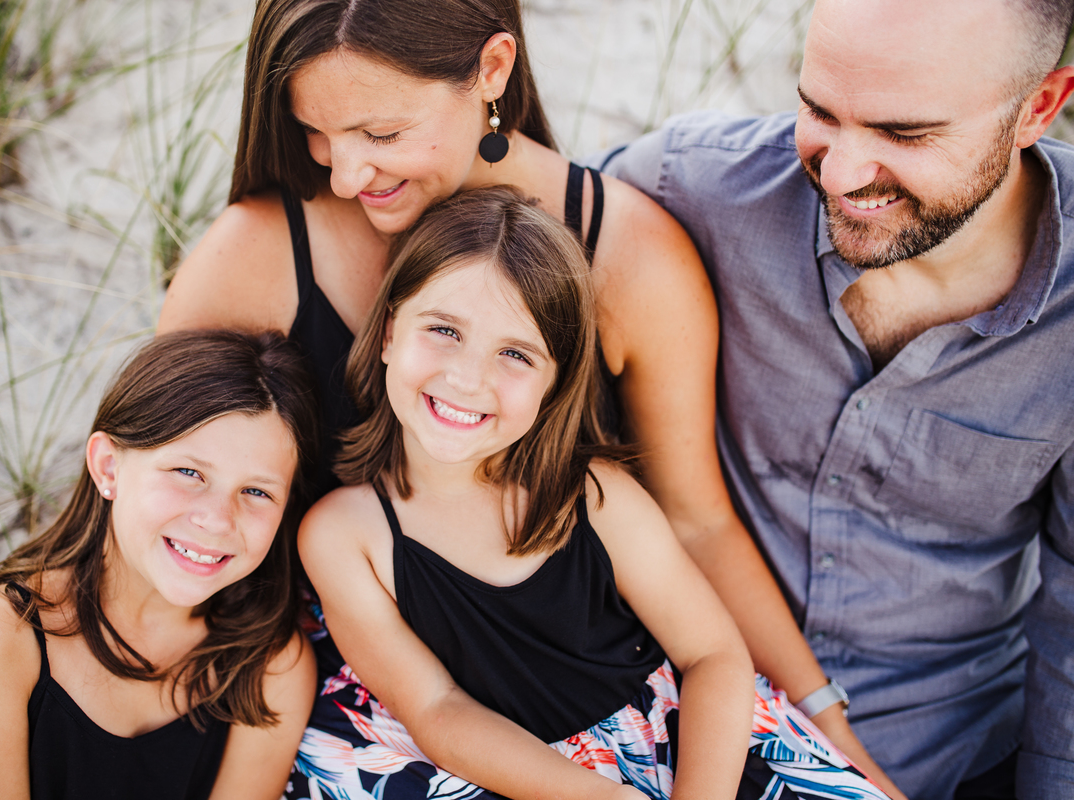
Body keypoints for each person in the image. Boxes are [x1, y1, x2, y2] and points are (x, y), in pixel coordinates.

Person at [158, 1, 901, 791]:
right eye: (315, 130)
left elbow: (698, 527)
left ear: (492, 70)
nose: (344, 176)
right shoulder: (256, 253)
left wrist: (830, 728)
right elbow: (149, 493)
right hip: (385, 717)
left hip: (624, 697)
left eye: (381, 134)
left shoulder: (630, 261)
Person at [593, 0, 1074, 797]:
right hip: (692, 734)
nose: (843, 175)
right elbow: (509, 213)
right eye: (818, 111)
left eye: (904, 133)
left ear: (1039, 108)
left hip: (953, 748)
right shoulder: (695, 186)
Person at [294, 186, 894, 800]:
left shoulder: (594, 495)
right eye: (444, 329)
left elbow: (713, 654)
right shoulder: (345, 537)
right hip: (525, 778)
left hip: (695, 748)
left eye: (515, 353)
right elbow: (437, 709)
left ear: (554, 384)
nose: (468, 378)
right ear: (389, 333)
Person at [0, 330, 319, 800]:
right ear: (108, 467)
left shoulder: (273, 667)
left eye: (257, 491)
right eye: (188, 472)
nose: (218, 519)